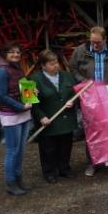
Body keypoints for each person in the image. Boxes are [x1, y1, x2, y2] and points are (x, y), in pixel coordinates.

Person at [69, 26, 108, 176]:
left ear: (105, 39)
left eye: (98, 42)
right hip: (89, 96)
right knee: (92, 130)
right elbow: (73, 68)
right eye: (92, 42)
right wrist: (84, 82)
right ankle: (92, 163)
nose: (95, 45)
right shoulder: (80, 51)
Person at [30, 50, 78, 183]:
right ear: (43, 66)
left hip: (66, 119)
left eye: (56, 62)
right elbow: (32, 103)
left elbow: (77, 94)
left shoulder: (67, 76)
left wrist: (73, 101)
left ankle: (64, 169)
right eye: (51, 64)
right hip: (48, 120)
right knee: (48, 148)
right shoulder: (33, 79)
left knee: (65, 146)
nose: (55, 66)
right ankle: (49, 172)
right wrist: (41, 117)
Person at [0, 42, 32, 195]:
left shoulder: (17, 68)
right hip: (11, 115)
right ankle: (10, 182)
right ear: (4, 54)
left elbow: (22, 88)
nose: (16, 55)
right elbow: (1, 96)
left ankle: (18, 178)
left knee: (20, 150)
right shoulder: (1, 71)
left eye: (18, 52)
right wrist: (21, 106)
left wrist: (31, 92)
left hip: (23, 114)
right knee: (12, 150)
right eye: (12, 52)